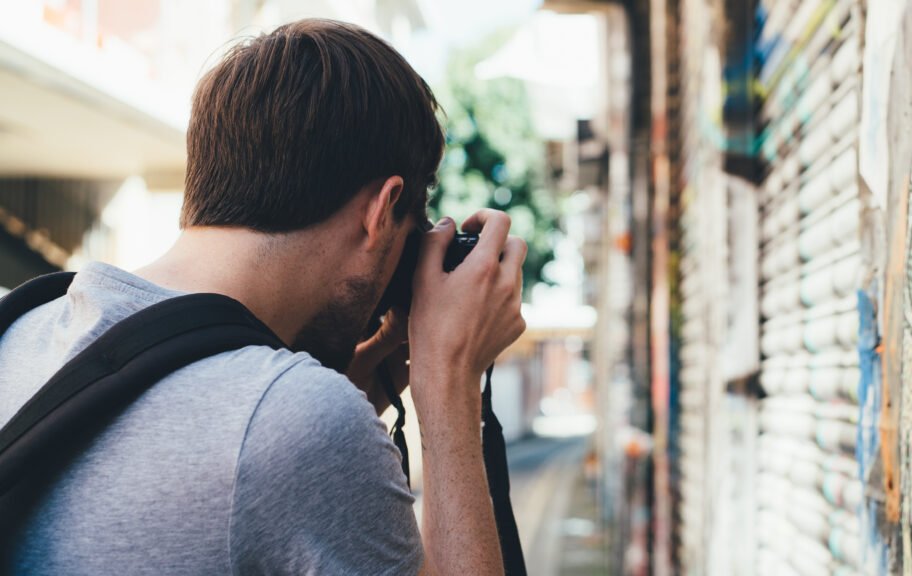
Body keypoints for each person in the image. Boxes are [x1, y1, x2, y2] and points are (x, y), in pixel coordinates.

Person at [0, 18, 525, 575]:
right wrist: (449, 380)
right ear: (380, 210)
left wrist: (355, 382)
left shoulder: (21, 329)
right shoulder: (295, 418)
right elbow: (258, 447)